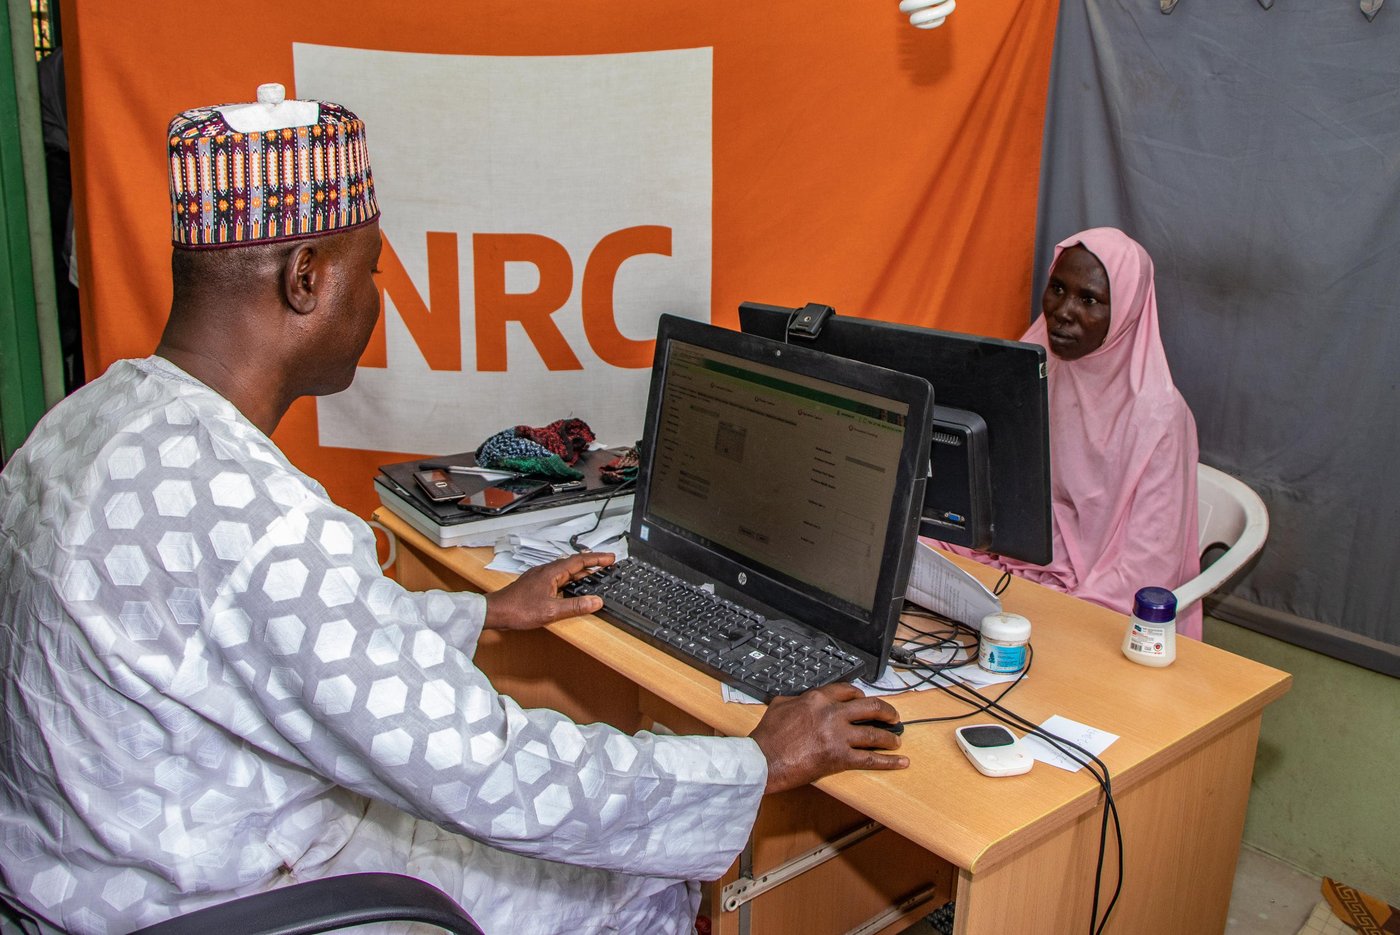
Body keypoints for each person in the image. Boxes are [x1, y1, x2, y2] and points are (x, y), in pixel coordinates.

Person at [0, 87, 907, 935]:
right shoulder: (261, 520)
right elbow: (491, 769)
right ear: (306, 277)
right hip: (225, 894)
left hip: (91, 873)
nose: (378, 300)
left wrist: (480, 613)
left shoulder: (85, 424)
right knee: (635, 879)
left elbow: (252, 638)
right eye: (371, 271)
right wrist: (754, 763)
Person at [944, 227, 1202, 638]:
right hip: (1013, 564)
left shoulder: (1159, 416)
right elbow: (988, 489)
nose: (1063, 311)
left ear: (1127, 312)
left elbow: (1146, 567)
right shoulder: (1035, 370)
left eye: (1089, 300)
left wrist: (1053, 618)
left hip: (1096, 596)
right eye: (1058, 289)